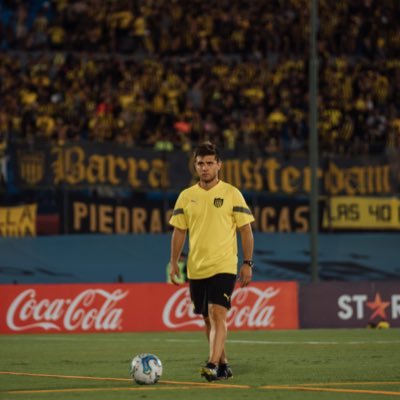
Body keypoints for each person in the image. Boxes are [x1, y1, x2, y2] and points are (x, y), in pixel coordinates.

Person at [168, 141, 255, 381]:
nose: (204, 168)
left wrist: (247, 263)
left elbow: (245, 230)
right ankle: (224, 363)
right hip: (197, 267)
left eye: (209, 163)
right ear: (194, 166)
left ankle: (212, 364)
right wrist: (174, 262)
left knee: (218, 313)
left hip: (224, 265)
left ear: (219, 165)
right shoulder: (186, 197)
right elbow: (179, 231)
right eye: (200, 164)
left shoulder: (231, 193)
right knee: (207, 318)